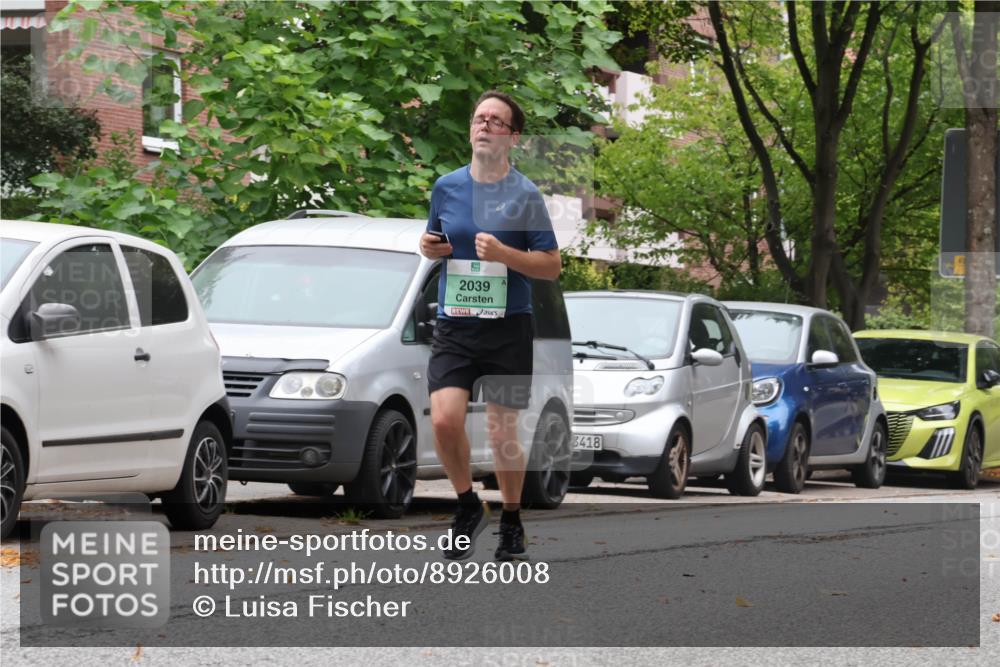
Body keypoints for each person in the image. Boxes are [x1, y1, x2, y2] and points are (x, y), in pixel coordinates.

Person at [419, 90, 561, 561]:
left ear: (512, 136)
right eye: (478, 117)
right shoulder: (447, 186)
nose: (483, 125)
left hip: (508, 326)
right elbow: (436, 238)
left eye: (495, 120)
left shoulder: (526, 195)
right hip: (456, 323)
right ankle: (466, 505)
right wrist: (429, 246)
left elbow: (550, 265)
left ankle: (513, 519)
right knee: (443, 419)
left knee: (502, 432)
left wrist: (505, 255)